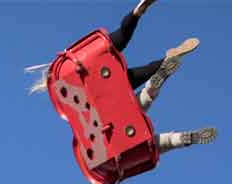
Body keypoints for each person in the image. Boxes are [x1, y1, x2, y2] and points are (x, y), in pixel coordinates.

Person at [31, 0, 216, 155]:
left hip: (109, 95)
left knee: (141, 114)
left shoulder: (68, 93)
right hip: (101, 71)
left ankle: (162, 79)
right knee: (123, 38)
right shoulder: (68, 70)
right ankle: (137, 13)